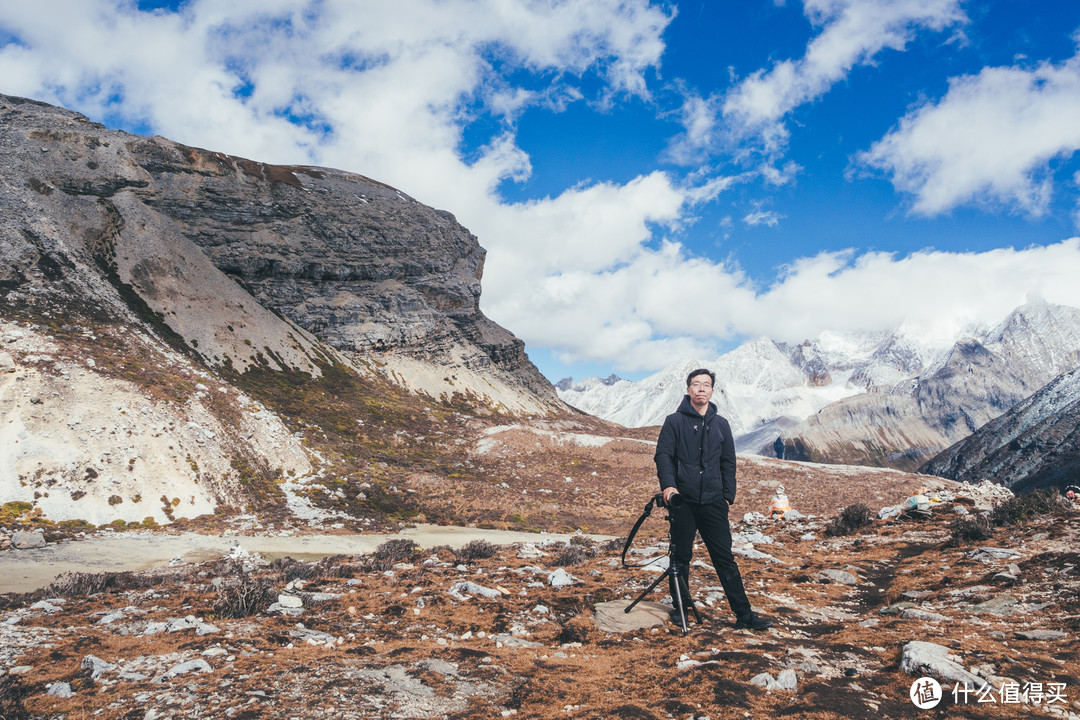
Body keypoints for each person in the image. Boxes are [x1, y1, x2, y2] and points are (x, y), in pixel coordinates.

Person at [654, 368, 772, 631]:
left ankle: (744, 615)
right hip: (682, 502)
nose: (701, 389)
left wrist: (727, 495)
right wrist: (669, 487)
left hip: (714, 502)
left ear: (712, 391)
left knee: (724, 559)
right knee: (681, 557)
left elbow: (729, 461)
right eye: (696, 384)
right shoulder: (674, 421)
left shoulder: (721, 424)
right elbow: (663, 456)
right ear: (688, 390)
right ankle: (681, 609)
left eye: (706, 385)